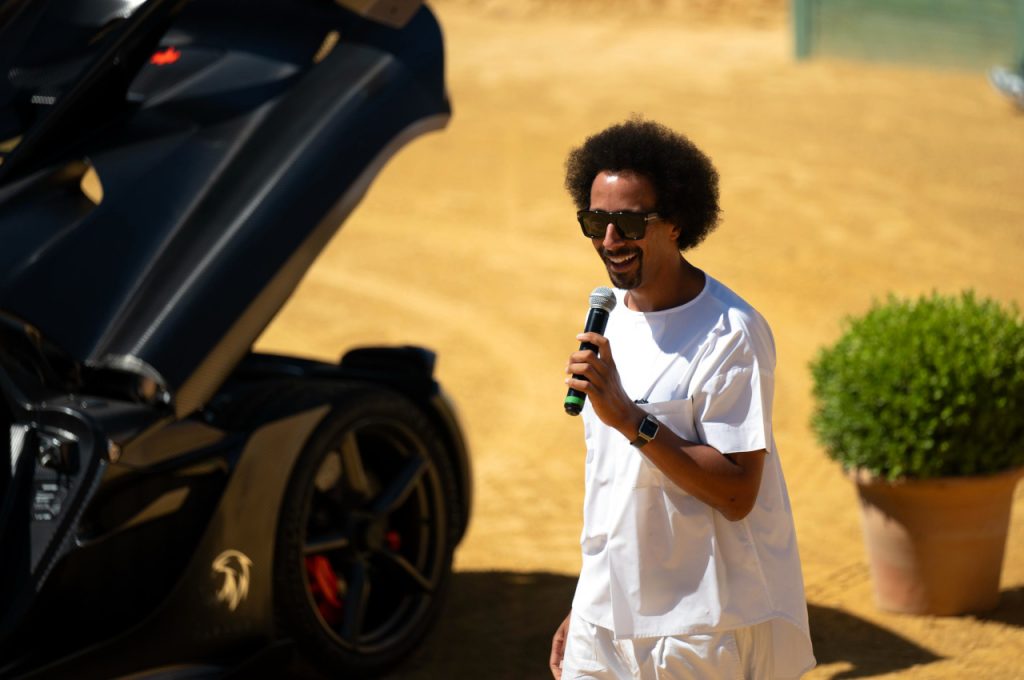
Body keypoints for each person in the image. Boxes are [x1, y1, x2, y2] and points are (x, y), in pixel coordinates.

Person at [550, 118, 815, 680]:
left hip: (699, 629)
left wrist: (630, 418)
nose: (610, 242)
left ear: (674, 223)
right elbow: (613, 488)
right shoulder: (610, 318)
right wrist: (587, 602)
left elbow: (738, 490)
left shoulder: (730, 333)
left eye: (627, 222)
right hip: (606, 623)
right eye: (596, 222)